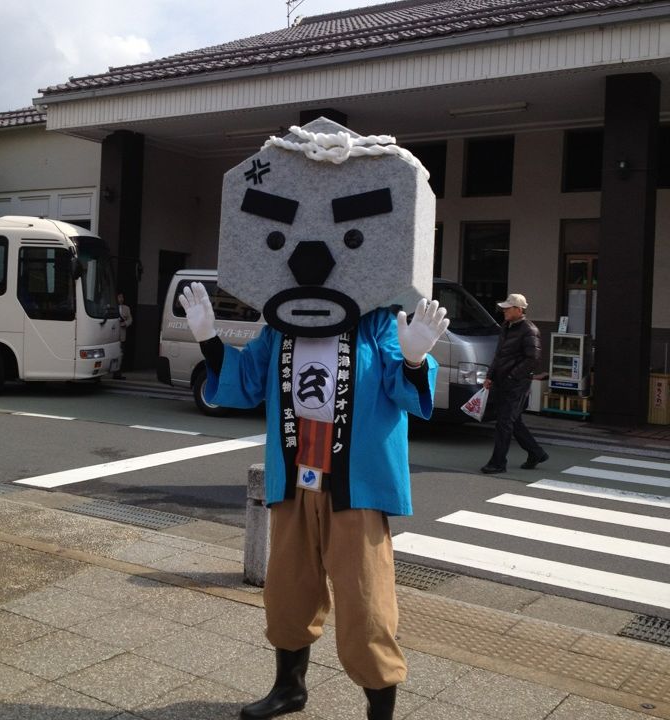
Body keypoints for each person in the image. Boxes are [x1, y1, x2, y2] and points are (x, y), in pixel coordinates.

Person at [180, 117, 448, 720]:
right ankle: (289, 687)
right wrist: (210, 341)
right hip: (295, 474)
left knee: (365, 604)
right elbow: (243, 386)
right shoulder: (280, 326)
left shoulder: (380, 323)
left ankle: (380, 706)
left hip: (356, 485)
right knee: (287, 590)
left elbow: (411, 401)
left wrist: (413, 360)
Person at [481, 293, 548, 474]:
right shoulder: (507, 326)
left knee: (504, 422)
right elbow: (499, 355)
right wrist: (490, 376)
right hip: (504, 381)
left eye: (507, 308)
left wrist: (512, 376)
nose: (504, 311)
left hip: (517, 384)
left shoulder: (529, 330)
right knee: (513, 421)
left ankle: (498, 463)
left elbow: (533, 359)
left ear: (519, 310)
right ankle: (536, 453)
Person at [113, 292, 133, 379]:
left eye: (122, 297)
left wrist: (125, 323)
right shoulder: (112, 307)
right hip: (112, 335)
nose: (121, 299)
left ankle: (118, 373)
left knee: (120, 354)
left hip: (122, 334)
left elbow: (130, 319)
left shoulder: (126, 308)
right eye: (119, 297)